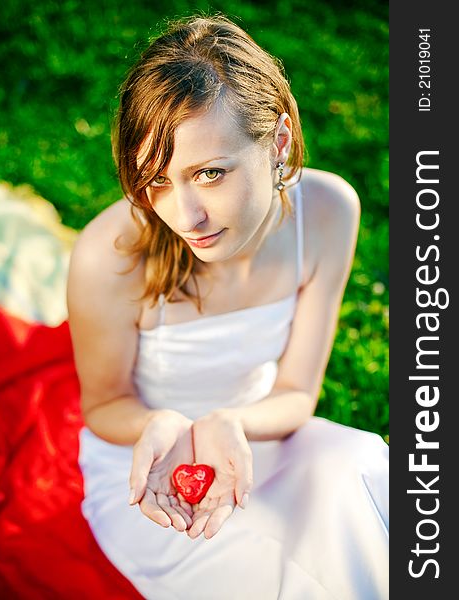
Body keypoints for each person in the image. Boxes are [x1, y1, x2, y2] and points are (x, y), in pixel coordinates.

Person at [67, 14, 388, 600]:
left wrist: (231, 423)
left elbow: (295, 390)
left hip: (264, 438)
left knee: (360, 469)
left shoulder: (328, 212)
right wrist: (161, 425)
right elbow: (106, 403)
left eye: (210, 173)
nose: (185, 216)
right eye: (156, 181)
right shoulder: (106, 256)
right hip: (149, 467)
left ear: (280, 142)